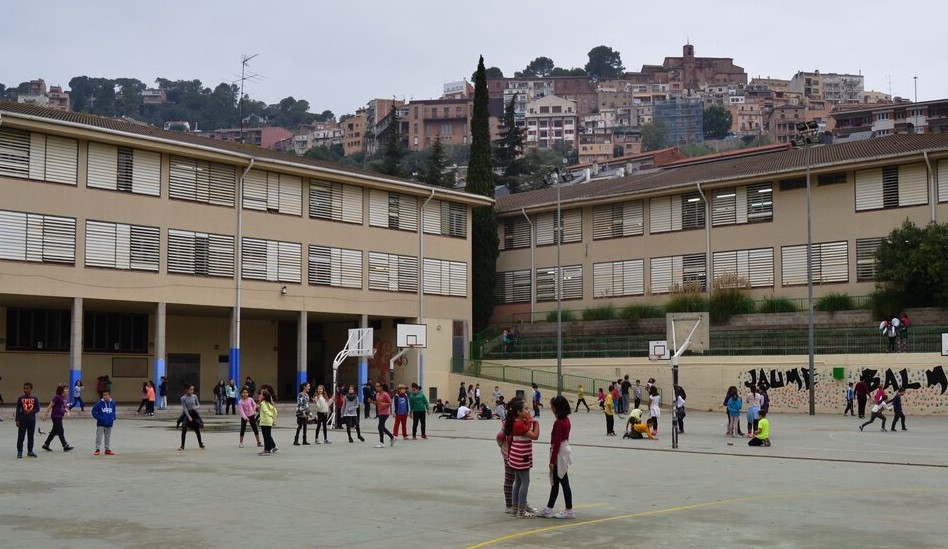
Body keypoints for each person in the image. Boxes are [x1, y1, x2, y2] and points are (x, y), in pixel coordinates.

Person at [537, 396, 575, 519]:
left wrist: (552, 461)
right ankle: (549, 508)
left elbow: (557, 442)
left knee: (562, 481)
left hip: (559, 452)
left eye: (553, 406)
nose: (551, 408)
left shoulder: (559, 422)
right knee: (557, 482)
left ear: (557, 408)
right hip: (564, 449)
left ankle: (569, 509)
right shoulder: (567, 420)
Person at [504, 397, 540, 518]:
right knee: (525, 482)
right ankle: (521, 511)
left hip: (516, 455)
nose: (528, 410)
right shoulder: (519, 424)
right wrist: (536, 423)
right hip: (521, 456)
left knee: (518, 481)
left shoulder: (517, 422)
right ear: (519, 412)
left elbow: (526, 426)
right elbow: (534, 436)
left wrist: (529, 421)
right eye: (525, 409)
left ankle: (515, 507)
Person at [42, 383, 74, 452]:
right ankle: (65, 445)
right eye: (66, 389)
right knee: (60, 431)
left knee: (54, 432)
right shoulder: (57, 397)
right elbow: (50, 405)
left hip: (60, 416)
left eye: (67, 389)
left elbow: (64, 407)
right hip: (55, 416)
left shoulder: (64, 398)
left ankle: (46, 444)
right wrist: (45, 414)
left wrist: (67, 411)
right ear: (61, 390)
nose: (67, 390)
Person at [15, 382, 41, 458]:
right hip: (22, 420)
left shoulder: (35, 398)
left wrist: (30, 411)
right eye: (24, 388)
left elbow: (37, 409)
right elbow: (18, 409)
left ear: (31, 389)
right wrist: (17, 420)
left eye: (27, 388)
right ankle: (19, 451)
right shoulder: (20, 398)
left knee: (31, 436)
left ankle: (30, 451)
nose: (25, 390)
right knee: (21, 436)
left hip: (31, 420)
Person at [91, 389, 117, 456]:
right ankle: (97, 449)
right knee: (99, 436)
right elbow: (93, 411)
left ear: (109, 395)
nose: (104, 396)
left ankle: (107, 449)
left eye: (106, 395)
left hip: (109, 423)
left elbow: (113, 411)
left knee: (108, 437)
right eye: (103, 395)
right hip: (101, 424)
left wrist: (113, 417)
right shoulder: (99, 403)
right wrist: (99, 418)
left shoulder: (112, 403)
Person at [179, 385, 205, 450]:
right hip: (186, 414)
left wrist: (195, 407)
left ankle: (200, 444)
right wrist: (188, 416)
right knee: (184, 429)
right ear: (186, 390)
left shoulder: (194, 396)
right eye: (190, 389)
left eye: (193, 389)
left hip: (194, 414)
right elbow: (184, 408)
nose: (192, 391)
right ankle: (182, 446)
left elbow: (198, 405)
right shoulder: (183, 398)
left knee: (197, 430)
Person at [374, 382, 395, 448]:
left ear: (381, 387)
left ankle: (382, 442)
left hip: (385, 412)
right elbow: (378, 403)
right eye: (376, 386)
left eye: (378, 386)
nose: (376, 387)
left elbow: (390, 403)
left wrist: (383, 404)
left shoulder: (385, 394)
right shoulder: (377, 394)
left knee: (380, 426)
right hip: (380, 412)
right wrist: (372, 401)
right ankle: (392, 437)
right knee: (381, 426)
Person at [258, 388, 278, 455]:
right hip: (269, 422)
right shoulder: (269, 403)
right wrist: (273, 419)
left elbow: (265, 411)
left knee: (266, 436)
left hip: (265, 422)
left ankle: (267, 450)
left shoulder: (263, 403)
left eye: (261, 395)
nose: (260, 396)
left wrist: (270, 415)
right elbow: (275, 411)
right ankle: (269, 449)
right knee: (268, 436)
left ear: (263, 397)